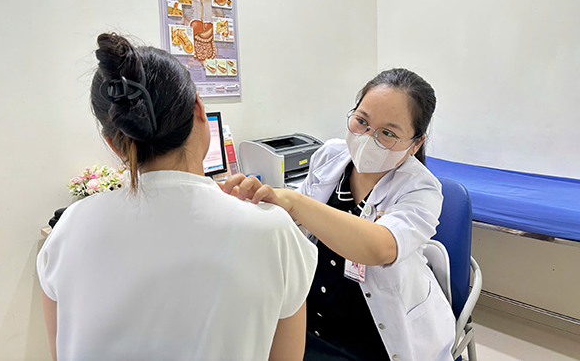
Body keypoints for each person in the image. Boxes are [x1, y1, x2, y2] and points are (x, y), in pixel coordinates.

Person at [37, 33, 317, 361]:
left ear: (114, 144)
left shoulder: (70, 226)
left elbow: (59, 351)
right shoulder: (273, 232)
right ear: (199, 111)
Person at [223, 68, 456, 361]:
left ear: (415, 143)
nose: (368, 138)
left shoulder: (421, 188)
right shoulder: (330, 156)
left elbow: (380, 246)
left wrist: (294, 202)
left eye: (388, 133)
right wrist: (259, 203)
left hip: (376, 334)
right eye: (362, 121)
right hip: (310, 317)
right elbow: (298, 226)